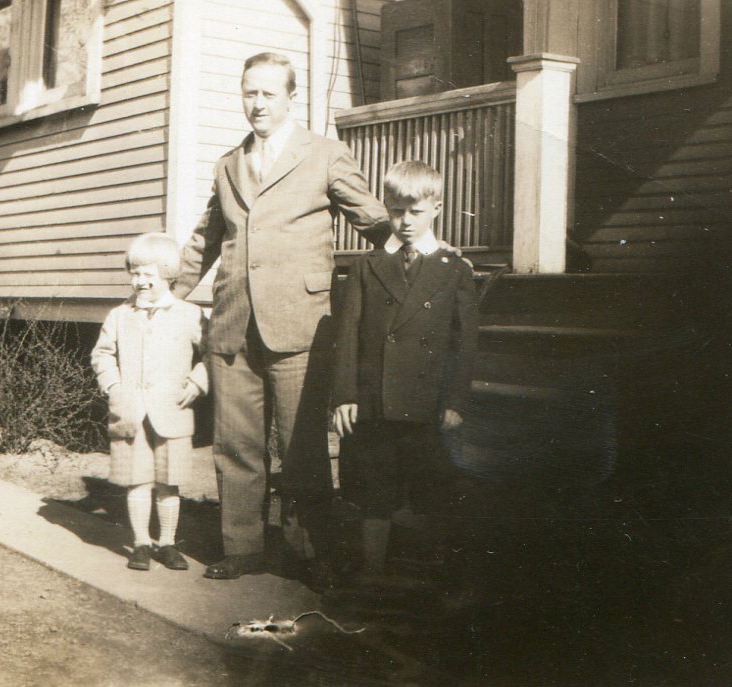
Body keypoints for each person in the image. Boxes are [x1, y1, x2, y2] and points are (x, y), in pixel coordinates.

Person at [172, 51, 393, 583]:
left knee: (302, 448)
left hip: (300, 324)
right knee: (236, 446)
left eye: (269, 93)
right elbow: (205, 239)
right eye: (250, 92)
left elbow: (372, 219)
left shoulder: (325, 154)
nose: (258, 104)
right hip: (233, 323)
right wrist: (168, 291)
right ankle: (242, 547)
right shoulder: (228, 164)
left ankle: (308, 551)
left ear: (292, 98)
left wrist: (417, 255)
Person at [331, 160, 478, 579]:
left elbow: (464, 344)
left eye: (416, 211)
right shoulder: (367, 266)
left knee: (431, 490)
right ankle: (372, 576)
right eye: (396, 211)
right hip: (375, 402)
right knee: (374, 492)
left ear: (437, 208)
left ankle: (429, 576)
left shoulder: (454, 270)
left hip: (429, 404)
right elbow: (349, 335)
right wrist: (345, 395)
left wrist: (455, 402)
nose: (406, 221)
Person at [91, 233, 207, 572]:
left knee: (169, 482)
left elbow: (213, 354)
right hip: (131, 412)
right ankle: (141, 542)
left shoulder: (189, 314)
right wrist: (114, 386)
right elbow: (102, 354)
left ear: (168, 275)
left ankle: (167, 543)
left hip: (173, 410)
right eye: (134, 273)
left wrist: (198, 382)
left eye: (148, 275)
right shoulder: (119, 315)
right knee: (138, 480)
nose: (139, 281)